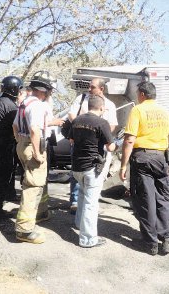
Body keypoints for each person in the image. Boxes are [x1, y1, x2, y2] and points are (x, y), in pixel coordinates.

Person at [119, 81, 169, 256]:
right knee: (163, 198)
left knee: (145, 199)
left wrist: (123, 165)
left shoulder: (138, 110)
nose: (138, 96)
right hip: (160, 158)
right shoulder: (165, 112)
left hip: (142, 158)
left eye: (138, 94)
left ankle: (150, 243)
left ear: (142, 94)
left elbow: (129, 140)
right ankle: (168, 238)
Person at [12, 71, 62, 244]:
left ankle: (40, 213)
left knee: (40, 181)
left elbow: (15, 126)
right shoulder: (38, 105)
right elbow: (35, 129)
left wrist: (21, 141)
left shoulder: (24, 102)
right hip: (34, 145)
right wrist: (37, 152)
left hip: (23, 144)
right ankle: (24, 230)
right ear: (44, 90)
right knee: (33, 186)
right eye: (49, 90)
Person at [70, 95, 115, 248]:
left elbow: (71, 140)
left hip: (77, 166)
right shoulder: (102, 122)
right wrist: (116, 145)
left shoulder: (77, 120)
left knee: (82, 195)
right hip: (92, 168)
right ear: (101, 108)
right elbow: (110, 147)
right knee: (91, 203)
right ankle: (88, 239)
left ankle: (79, 224)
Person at [68, 78, 118, 213]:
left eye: (92, 87)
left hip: (98, 144)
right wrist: (83, 126)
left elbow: (112, 124)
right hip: (78, 141)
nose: (89, 90)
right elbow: (71, 114)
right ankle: (75, 201)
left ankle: (90, 203)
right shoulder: (81, 98)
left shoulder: (110, 105)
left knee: (94, 175)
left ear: (101, 89)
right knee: (76, 172)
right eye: (89, 87)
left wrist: (102, 133)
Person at [0, 76, 23, 219]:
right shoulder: (11, 106)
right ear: (14, 89)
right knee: (1, 178)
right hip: (3, 144)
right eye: (19, 89)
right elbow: (16, 127)